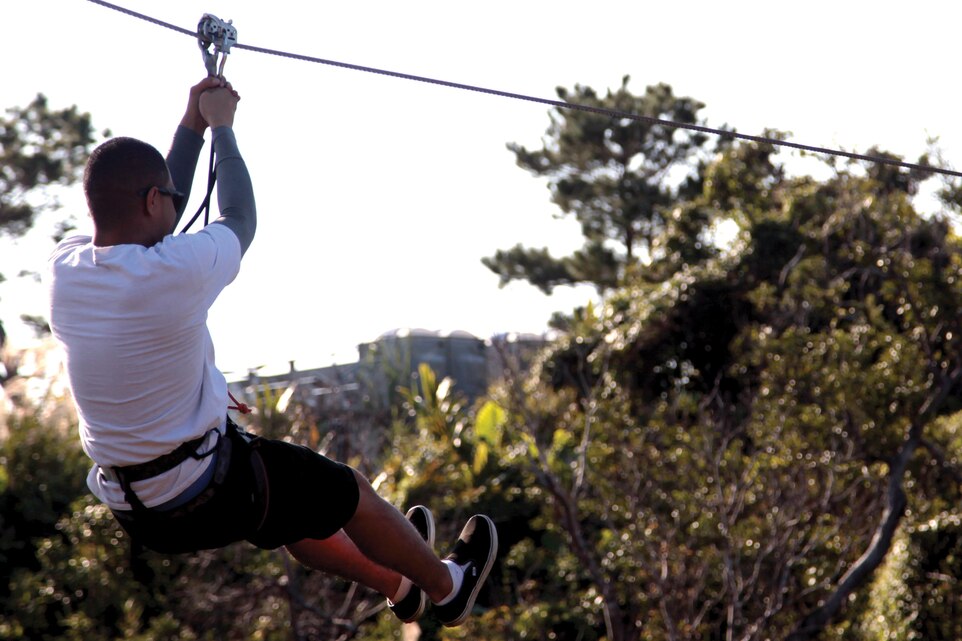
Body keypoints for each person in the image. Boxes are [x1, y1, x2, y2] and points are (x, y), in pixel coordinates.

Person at [46, 76, 497, 628]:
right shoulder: (170, 272)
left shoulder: (65, 270)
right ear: (150, 201)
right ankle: (447, 586)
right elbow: (240, 220)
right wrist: (223, 131)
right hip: (203, 488)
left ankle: (399, 581)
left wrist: (191, 124)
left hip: (135, 510)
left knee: (292, 515)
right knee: (347, 491)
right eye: (167, 197)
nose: (177, 204)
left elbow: (156, 206)